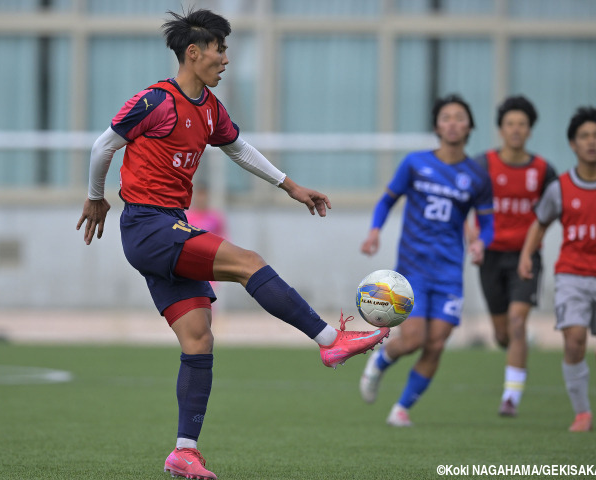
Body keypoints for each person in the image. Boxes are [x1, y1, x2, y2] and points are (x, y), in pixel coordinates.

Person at [76, 9, 389, 480]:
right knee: (249, 263)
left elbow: (239, 148)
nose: (226, 58)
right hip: (148, 226)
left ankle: (184, 452)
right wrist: (96, 198)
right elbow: (103, 146)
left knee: (199, 340)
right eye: (219, 49)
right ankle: (330, 340)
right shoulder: (154, 101)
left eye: (226, 49)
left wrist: (291, 186)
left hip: (167, 227)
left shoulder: (210, 109)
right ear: (193, 53)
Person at [358, 94, 494, 427]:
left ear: (470, 126)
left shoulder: (476, 176)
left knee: (436, 344)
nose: (452, 122)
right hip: (414, 269)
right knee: (415, 339)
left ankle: (401, 409)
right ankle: (380, 362)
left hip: (449, 273)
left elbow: (488, 224)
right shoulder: (415, 163)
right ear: (436, 126)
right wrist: (375, 230)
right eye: (446, 117)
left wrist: (481, 245)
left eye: (459, 117)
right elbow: (387, 201)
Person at [518, 106, 596, 432]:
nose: (592, 141)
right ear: (573, 144)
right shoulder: (560, 188)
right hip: (572, 275)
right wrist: (527, 255)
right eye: (585, 136)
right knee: (574, 341)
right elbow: (539, 224)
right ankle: (582, 413)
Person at [471, 96, 557, 417]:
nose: (516, 130)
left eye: (522, 124)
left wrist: (533, 248)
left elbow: (551, 215)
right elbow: (465, 208)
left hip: (526, 258)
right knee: (503, 334)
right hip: (491, 257)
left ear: (530, 130)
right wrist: (474, 240)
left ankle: (511, 397)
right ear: (501, 129)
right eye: (510, 124)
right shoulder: (483, 165)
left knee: (518, 322)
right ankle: (516, 357)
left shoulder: (544, 171)